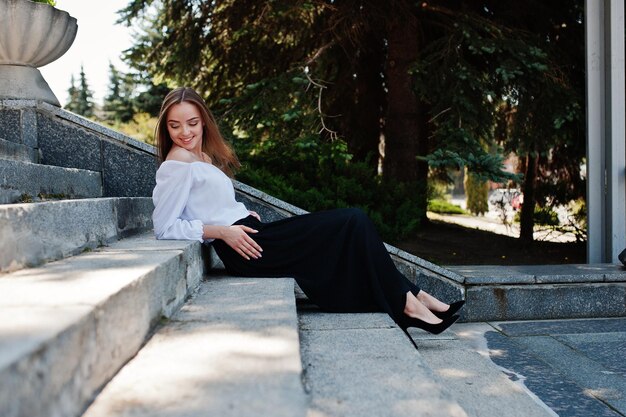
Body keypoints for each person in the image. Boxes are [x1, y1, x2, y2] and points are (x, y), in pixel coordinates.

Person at [152, 87, 464, 335]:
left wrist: (242, 212)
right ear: (166, 127)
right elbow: (165, 227)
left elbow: (213, 203)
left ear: (203, 120)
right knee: (352, 220)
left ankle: (416, 297)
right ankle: (409, 302)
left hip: (253, 234)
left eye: (192, 123)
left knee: (353, 226)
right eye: (175, 125)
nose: (185, 133)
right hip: (244, 248)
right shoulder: (175, 164)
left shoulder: (202, 158)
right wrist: (221, 231)